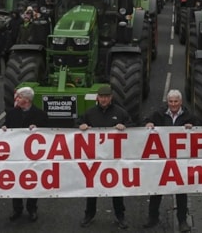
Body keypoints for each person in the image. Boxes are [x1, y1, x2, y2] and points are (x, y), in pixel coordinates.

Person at [78, 85, 133, 229]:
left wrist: (125, 126)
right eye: (101, 97)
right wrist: (82, 125)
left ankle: (120, 215)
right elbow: (78, 123)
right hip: (95, 158)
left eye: (106, 97)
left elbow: (133, 126)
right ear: (98, 97)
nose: (103, 99)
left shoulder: (120, 112)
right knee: (92, 188)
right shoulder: (90, 113)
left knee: (116, 188)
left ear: (111, 98)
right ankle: (89, 214)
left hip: (114, 159)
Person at [143, 89, 195, 232]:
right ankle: (152, 218)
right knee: (156, 189)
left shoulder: (189, 115)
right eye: (170, 101)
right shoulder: (159, 113)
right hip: (161, 159)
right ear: (167, 102)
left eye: (176, 101)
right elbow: (146, 120)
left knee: (181, 191)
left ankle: (182, 221)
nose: (173, 104)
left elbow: (201, 129)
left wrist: (192, 127)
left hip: (180, 161)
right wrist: (148, 124)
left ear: (181, 102)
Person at [2, 87, 49, 222]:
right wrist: (4, 128)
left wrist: (38, 129)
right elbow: (6, 124)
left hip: (32, 156)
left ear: (27, 100)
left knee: (32, 181)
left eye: (19, 97)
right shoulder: (11, 113)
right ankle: (17, 209)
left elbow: (48, 133)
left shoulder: (40, 115)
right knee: (14, 181)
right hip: (15, 154)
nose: (16, 99)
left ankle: (32, 208)